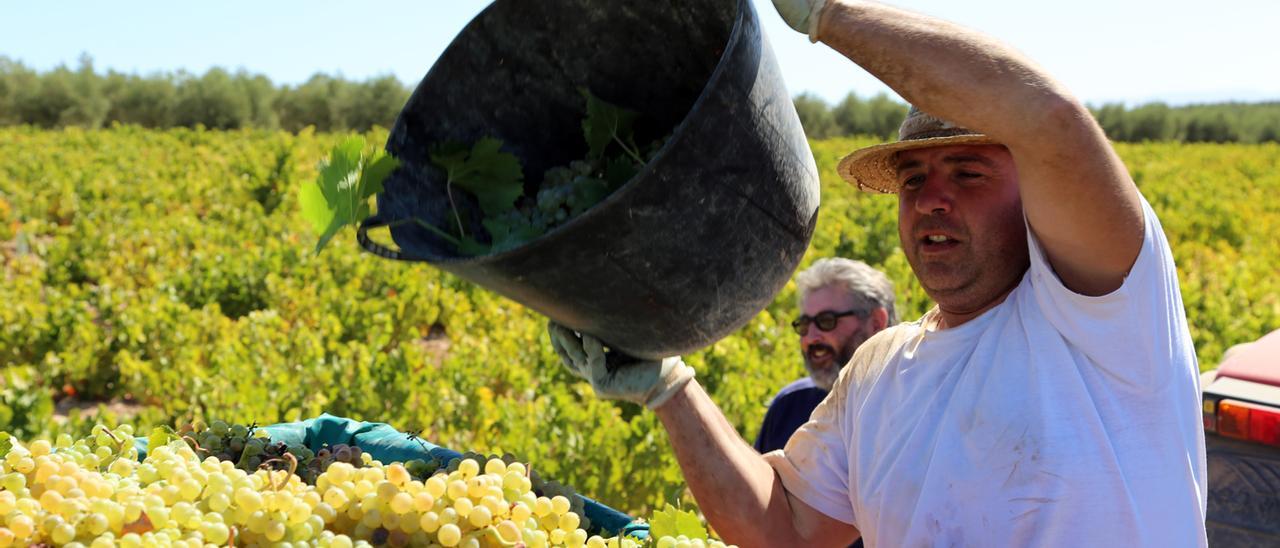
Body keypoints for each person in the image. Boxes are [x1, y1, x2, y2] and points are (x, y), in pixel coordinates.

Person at [547, 1, 1207, 546]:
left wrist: (828, 14)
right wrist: (669, 387)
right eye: (913, 179)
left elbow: (1048, 118)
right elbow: (787, 525)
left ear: (1035, 191)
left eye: (968, 173)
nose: (931, 198)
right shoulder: (879, 374)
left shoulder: (1105, 313)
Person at [754, 258, 897, 454]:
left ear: (876, 323)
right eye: (804, 324)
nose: (811, 338)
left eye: (826, 321)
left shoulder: (915, 403)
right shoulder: (789, 405)